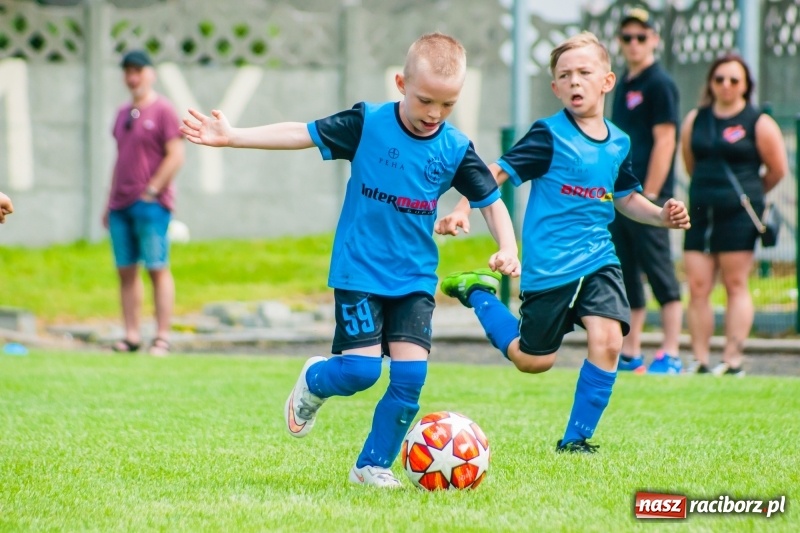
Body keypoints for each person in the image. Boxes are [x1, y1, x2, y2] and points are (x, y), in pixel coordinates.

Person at [179, 32, 521, 487]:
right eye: (425, 101)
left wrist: (508, 245)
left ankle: (371, 465)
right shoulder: (368, 123)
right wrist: (234, 136)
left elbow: (490, 199)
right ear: (401, 83)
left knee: (410, 379)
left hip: (416, 277)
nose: (434, 115)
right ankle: (316, 380)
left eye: (447, 105)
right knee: (360, 371)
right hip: (359, 270)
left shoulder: (455, 147)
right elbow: (299, 133)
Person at [438, 32, 690, 453]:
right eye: (565, 76)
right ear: (554, 88)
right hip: (549, 266)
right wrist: (463, 206)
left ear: (607, 81)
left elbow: (626, 197)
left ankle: (576, 440)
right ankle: (479, 293)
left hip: (598, 258)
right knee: (533, 360)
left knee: (609, 340)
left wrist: (660, 215)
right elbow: (495, 172)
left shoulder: (619, 142)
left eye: (584, 73)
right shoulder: (548, 136)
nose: (575, 82)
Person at [680, 53, 788, 377]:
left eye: (734, 80)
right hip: (700, 211)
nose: (726, 86)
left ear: (745, 86)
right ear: (711, 83)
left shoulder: (758, 122)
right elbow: (690, 162)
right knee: (698, 286)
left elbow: (777, 170)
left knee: (735, 283)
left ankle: (732, 358)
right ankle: (699, 358)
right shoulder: (695, 119)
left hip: (738, 215)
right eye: (719, 79)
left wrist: (749, 196)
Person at [610, 6, 684, 375]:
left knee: (660, 273)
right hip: (621, 196)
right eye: (627, 37)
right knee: (625, 271)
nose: (634, 43)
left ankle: (670, 351)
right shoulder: (623, 82)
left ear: (654, 39)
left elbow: (666, 139)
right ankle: (631, 351)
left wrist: (652, 196)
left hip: (646, 197)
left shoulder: (660, 84)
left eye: (641, 36)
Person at [103, 50, 185, 356]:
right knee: (126, 271)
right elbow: (119, 160)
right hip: (120, 206)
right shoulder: (123, 113)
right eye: (128, 71)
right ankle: (131, 334)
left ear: (150, 73)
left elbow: (176, 154)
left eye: (138, 70)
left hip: (151, 205)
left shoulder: (163, 110)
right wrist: (107, 202)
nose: (132, 77)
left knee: (157, 267)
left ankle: (162, 336)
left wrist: (152, 189)